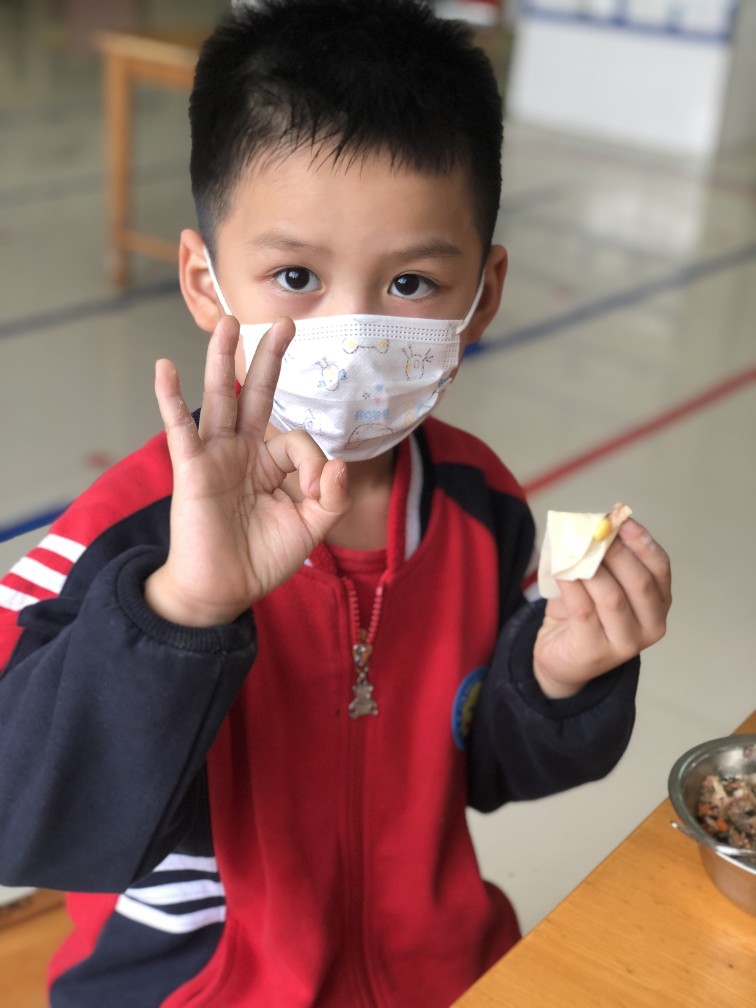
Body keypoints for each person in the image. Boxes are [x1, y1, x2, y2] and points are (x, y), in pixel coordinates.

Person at [0, 1, 671, 1005]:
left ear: (482, 298)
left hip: (442, 975)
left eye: (410, 283)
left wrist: (556, 680)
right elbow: (24, 822)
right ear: (204, 282)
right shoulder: (117, 536)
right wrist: (180, 612)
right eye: (295, 275)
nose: (352, 331)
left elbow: (486, 767)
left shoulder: (481, 506)